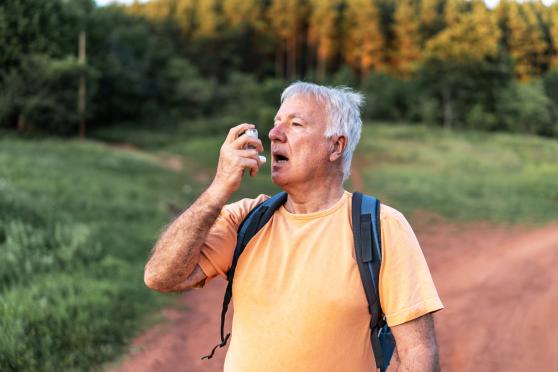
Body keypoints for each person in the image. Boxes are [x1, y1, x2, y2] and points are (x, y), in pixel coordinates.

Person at [144, 82, 444, 372]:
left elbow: (418, 351)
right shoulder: (247, 219)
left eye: (296, 124)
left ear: (336, 146)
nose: (274, 134)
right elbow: (161, 277)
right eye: (276, 123)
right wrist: (217, 190)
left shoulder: (381, 227)